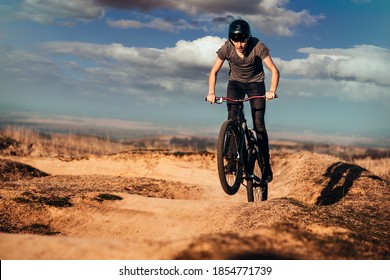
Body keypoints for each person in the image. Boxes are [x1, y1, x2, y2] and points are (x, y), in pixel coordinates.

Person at [207, 19, 279, 182]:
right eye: (235, 40)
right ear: (230, 38)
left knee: (259, 124)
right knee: (232, 121)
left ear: (248, 37)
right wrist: (211, 92)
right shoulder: (226, 48)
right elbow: (213, 72)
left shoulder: (258, 47)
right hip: (235, 84)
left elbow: (274, 71)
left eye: (243, 40)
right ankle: (232, 162)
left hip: (256, 84)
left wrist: (272, 91)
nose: (239, 44)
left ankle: (265, 166)